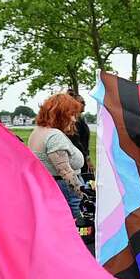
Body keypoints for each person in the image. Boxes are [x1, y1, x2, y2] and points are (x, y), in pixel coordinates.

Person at [27, 93, 86, 221]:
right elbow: (65, 172)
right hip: (66, 189)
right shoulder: (54, 136)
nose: (74, 119)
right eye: (71, 114)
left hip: (51, 186)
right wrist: (83, 195)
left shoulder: (37, 131)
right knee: (77, 224)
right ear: (60, 114)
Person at [67, 90, 92, 176]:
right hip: (78, 158)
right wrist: (86, 158)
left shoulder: (80, 119)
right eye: (82, 102)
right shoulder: (74, 121)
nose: (85, 104)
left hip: (83, 156)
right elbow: (77, 142)